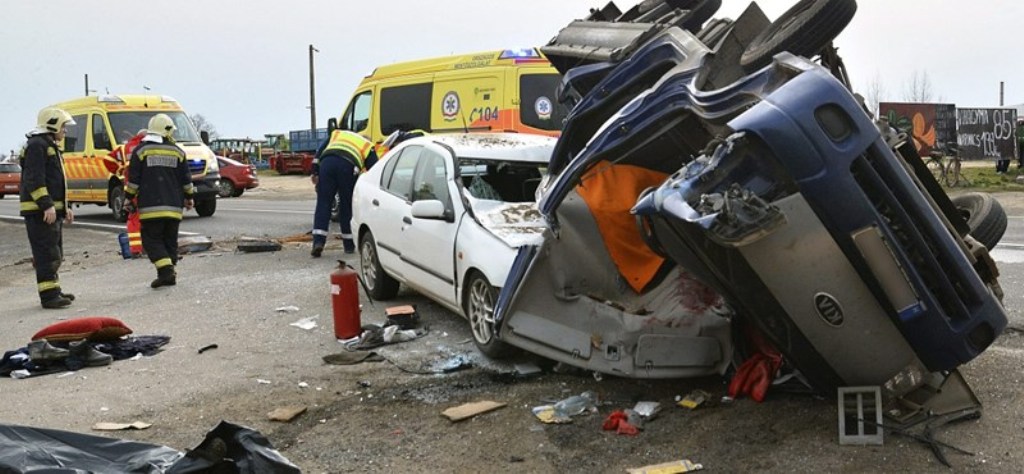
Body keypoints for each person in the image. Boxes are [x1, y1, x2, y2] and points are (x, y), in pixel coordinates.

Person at [123, 114, 194, 288]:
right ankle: (169, 273)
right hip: (174, 207)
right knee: (170, 240)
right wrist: (189, 197)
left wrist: (129, 198)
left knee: (152, 241)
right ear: (167, 131)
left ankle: (166, 271)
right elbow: (186, 179)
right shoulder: (178, 151)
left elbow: (133, 180)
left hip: (151, 207)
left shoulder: (141, 151)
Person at [20, 107, 76, 309]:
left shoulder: (47, 145)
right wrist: (46, 205)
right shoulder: (37, 145)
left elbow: (56, 182)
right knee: (46, 254)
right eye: (63, 127)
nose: (65, 131)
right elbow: (34, 179)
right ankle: (49, 296)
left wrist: (64, 208)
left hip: (49, 211)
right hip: (39, 212)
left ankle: (54, 289)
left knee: (54, 252)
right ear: (52, 125)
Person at [310, 128, 376, 257]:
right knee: (347, 206)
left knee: (323, 203)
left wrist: (315, 172)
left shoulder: (337, 134)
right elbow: (374, 171)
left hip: (327, 164)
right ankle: (349, 245)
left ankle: (318, 242)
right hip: (348, 166)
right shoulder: (368, 145)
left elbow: (317, 155)